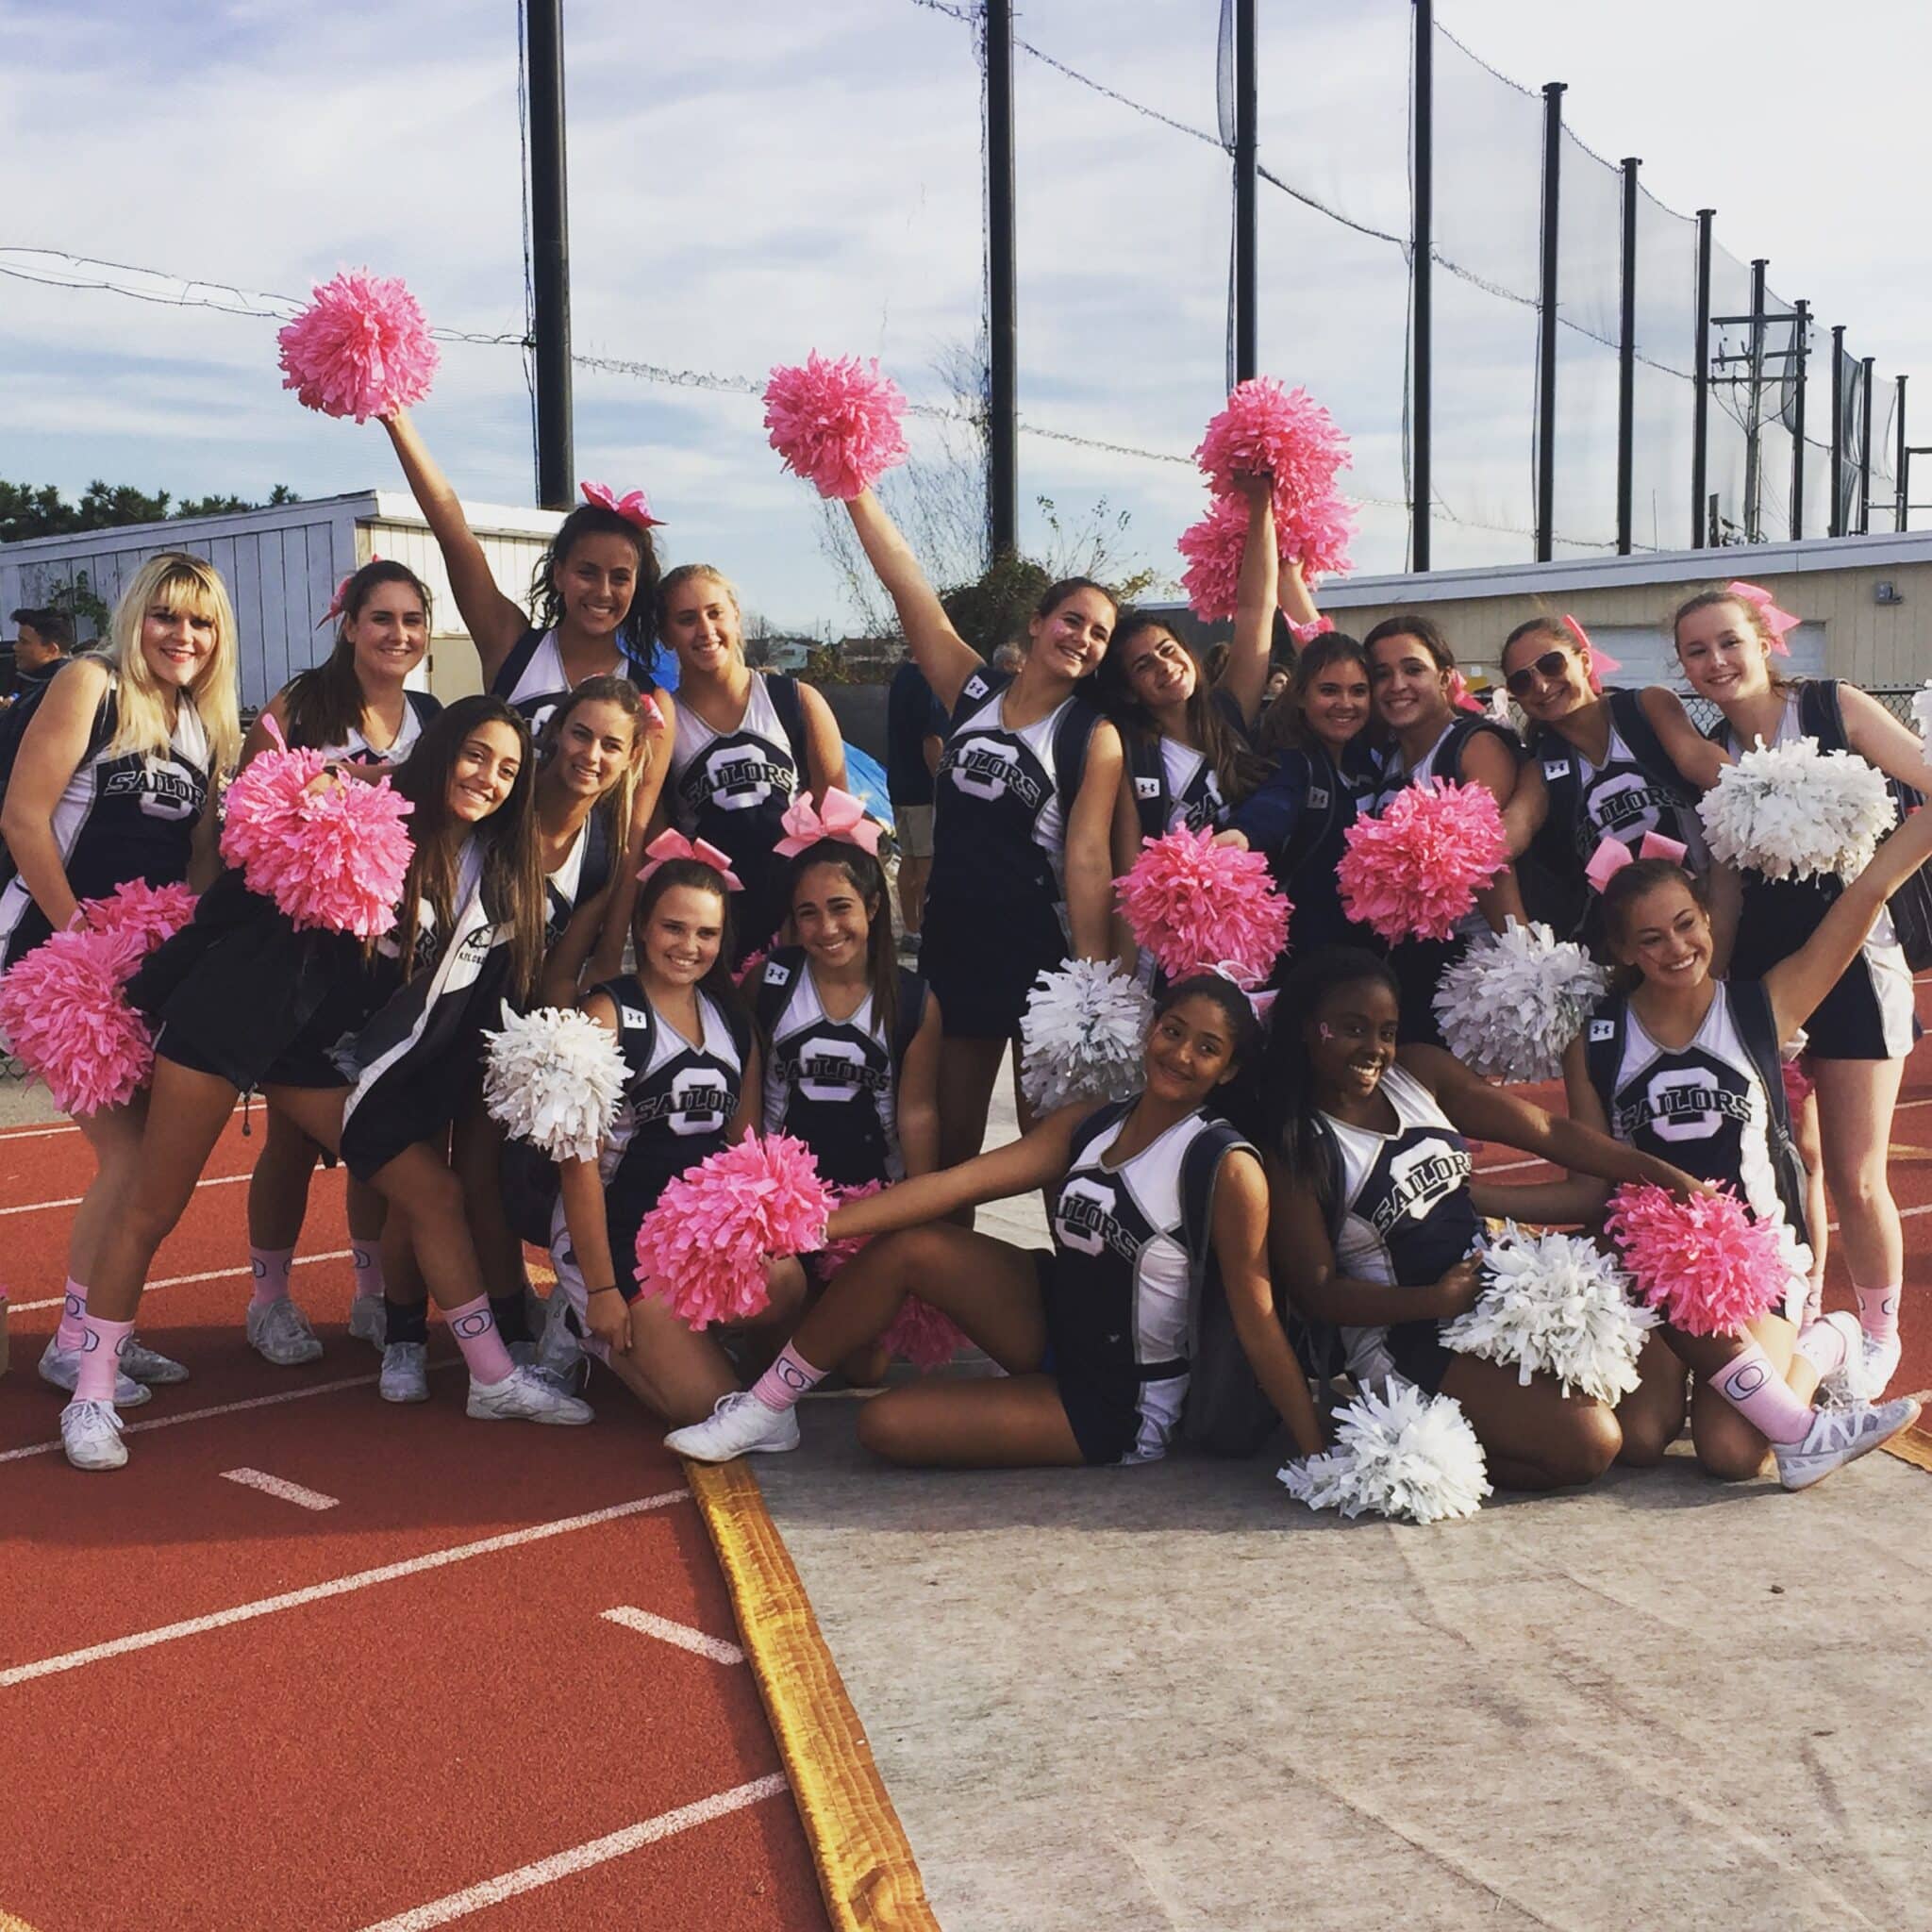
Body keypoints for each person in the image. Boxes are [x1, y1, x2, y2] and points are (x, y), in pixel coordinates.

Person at [68, 697, 586, 1471]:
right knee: (154, 1204)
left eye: (509, 768)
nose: (490, 778)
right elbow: (248, 863)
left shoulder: (495, 871)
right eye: (477, 755)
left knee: (432, 1193)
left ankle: (493, 1378)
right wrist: (318, 792)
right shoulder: (361, 808)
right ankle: (92, 1392)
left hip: (318, 1055)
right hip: (233, 1017)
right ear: (442, 750)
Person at [663, 974, 1327, 1470]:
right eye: (1174, 1030)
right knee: (914, 1247)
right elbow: (958, 1183)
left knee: (886, 1427)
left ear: (1229, 1069)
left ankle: (1034, 1412)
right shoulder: (1093, 1121)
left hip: (1117, 1396)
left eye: (1206, 1048)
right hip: (1047, 1316)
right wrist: (810, 1227)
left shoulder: (1224, 1163)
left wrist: (1315, 1453)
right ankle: (767, 1409)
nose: (1181, 1054)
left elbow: (1257, 1315)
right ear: (1153, 1027)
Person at [1528, 838, 1931, 1485]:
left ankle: (1831, 1337)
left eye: (1686, 924)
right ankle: (1782, 1407)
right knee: (1638, 1440)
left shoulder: (1759, 1007)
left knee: (1732, 1454)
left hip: (1756, 1268)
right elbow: (1589, 1185)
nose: (1677, 948)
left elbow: (1865, 897)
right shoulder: (1597, 1041)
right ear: (1626, 952)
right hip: (1653, 1277)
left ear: (1708, 919)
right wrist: (1481, 1200)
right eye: (1651, 938)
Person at [1264, 948, 1707, 1492]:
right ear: (1311, 1028)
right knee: (1590, 1445)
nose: (1374, 1049)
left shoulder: (1418, 1075)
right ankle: (1402, 1454)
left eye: (1386, 1031)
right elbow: (1319, 1294)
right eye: (1354, 1029)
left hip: (1499, 1301)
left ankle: (1781, 1398)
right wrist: (1433, 1302)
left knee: (1637, 1422)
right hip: (1410, 1337)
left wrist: (1660, 1174)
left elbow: (1547, 1132)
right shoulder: (1298, 1148)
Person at [1, 555, 240, 1413]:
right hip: (52, 951)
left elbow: (200, 863)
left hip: (142, 964)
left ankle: (93, 1329)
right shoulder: (90, 684)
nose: (184, 636)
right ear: (136, 617)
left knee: (144, 1158)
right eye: (166, 617)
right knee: (131, 1157)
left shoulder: (204, 723)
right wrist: (78, 937)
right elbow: (24, 817)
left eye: (202, 623)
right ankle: (77, 1342)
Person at [1676, 583, 1928, 1392]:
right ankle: (1811, 1313)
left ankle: (1881, 1333)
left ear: (1765, 644)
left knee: (1857, 1171)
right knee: (1793, 1164)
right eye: (1696, 651)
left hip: (1857, 961)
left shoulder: (1833, 706)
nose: (1715, 663)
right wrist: (1712, 989)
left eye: (1728, 643)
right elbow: (1723, 887)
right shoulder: (1711, 754)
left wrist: (1871, 885)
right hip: (1764, 975)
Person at [839, 489, 1124, 1188]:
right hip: (954, 944)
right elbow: (908, 584)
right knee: (947, 1144)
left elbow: (1087, 859)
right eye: (1072, 620)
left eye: (1099, 634)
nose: (1082, 638)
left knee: (1055, 1145)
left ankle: (1073, 1284)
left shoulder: (1093, 733)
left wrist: (1088, 985)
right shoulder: (972, 692)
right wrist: (853, 487)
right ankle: (938, 1293)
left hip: (1036, 955)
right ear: (1037, 624)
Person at [234, 559, 444, 1369]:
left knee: (378, 1126)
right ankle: (267, 1300)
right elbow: (246, 828)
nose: (398, 635)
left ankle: (367, 1289)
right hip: (305, 957)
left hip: (396, 962)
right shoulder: (298, 708)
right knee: (291, 1139)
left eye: (412, 620)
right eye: (381, 618)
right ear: (348, 623)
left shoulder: (432, 716)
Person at [375, 408, 674, 961]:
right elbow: (450, 528)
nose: (602, 591)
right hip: (471, 891)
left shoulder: (650, 700)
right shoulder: (513, 645)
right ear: (559, 573)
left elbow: (632, 837)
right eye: (587, 572)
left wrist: (608, 954)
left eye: (620, 577)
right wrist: (397, 419)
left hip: (565, 914)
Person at [541, 848, 807, 1425]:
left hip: (689, 1238)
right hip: (613, 1233)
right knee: (707, 1406)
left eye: (706, 933)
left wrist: (754, 1246)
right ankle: (580, 1318)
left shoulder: (732, 1018)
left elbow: (745, 1152)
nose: (689, 946)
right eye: (673, 927)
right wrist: (605, 1287)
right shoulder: (606, 1015)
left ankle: (686, 1327)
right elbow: (578, 1167)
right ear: (642, 926)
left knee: (787, 1283)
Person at [1097, 478, 1308, 857]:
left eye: (1167, 649)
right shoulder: (1128, 753)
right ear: (1128, 688)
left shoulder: (1227, 711)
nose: (1165, 665)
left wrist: (1261, 500)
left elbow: (1255, 610)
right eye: (1144, 664)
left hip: (1256, 907)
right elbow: (1127, 869)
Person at [1497, 613, 1728, 945]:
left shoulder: (1646, 707)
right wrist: (1446, 853)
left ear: (1585, 661)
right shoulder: (1542, 767)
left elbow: (1699, 761)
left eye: (1551, 664)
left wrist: (1761, 789)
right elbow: (1512, 830)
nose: (1542, 686)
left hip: (1709, 908)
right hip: (1629, 943)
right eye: (1522, 681)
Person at [1360, 613, 1526, 1046]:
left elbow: (1491, 860)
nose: (1397, 684)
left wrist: (1522, 961)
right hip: (1406, 956)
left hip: (1470, 961)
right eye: (1382, 675)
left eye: (1413, 669)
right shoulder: (1388, 755)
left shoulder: (1474, 745)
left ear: (1445, 677)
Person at [1223, 631, 1381, 967]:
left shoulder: (1369, 759)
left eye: (1358, 691)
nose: (1345, 704)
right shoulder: (1294, 762)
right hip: (1305, 959)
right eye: (1328, 690)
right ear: (1300, 697)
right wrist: (1242, 836)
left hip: (1369, 953)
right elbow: (1276, 805)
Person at [884, 652, 947, 953]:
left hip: (898, 784)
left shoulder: (902, 677)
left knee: (909, 859)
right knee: (926, 863)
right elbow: (932, 740)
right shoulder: (928, 681)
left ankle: (911, 930)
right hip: (923, 788)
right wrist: (943, 785)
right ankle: (928, 929)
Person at [6, 607, 74, 705]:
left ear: (51, 650)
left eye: (24, 642)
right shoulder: (26, 677)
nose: (15, 647)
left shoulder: (67, 686)